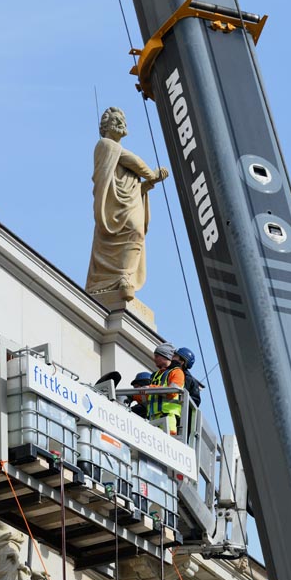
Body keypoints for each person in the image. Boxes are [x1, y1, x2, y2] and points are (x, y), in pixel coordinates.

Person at [86, 107, 169, 302]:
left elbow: (133, 188)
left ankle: (125, 277)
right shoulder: (106, 145)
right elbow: (134, 161)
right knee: (133, 229)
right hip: (114, 208)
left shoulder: (116, 154)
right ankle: (119, 279)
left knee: (137, 233)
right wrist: (152, 175)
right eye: (116, 119)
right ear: (105, 126)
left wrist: (149, 184)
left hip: (129, 203)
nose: (121, 122)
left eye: (123, 120)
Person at [147, 343, 184, 435]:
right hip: (152, 418)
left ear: (165, 356)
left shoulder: (177, 372)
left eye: (157, 356)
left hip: (167, 418)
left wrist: (150, 388)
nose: (154, 359)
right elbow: (148, 397)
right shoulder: (156, 375)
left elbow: (172, 392)